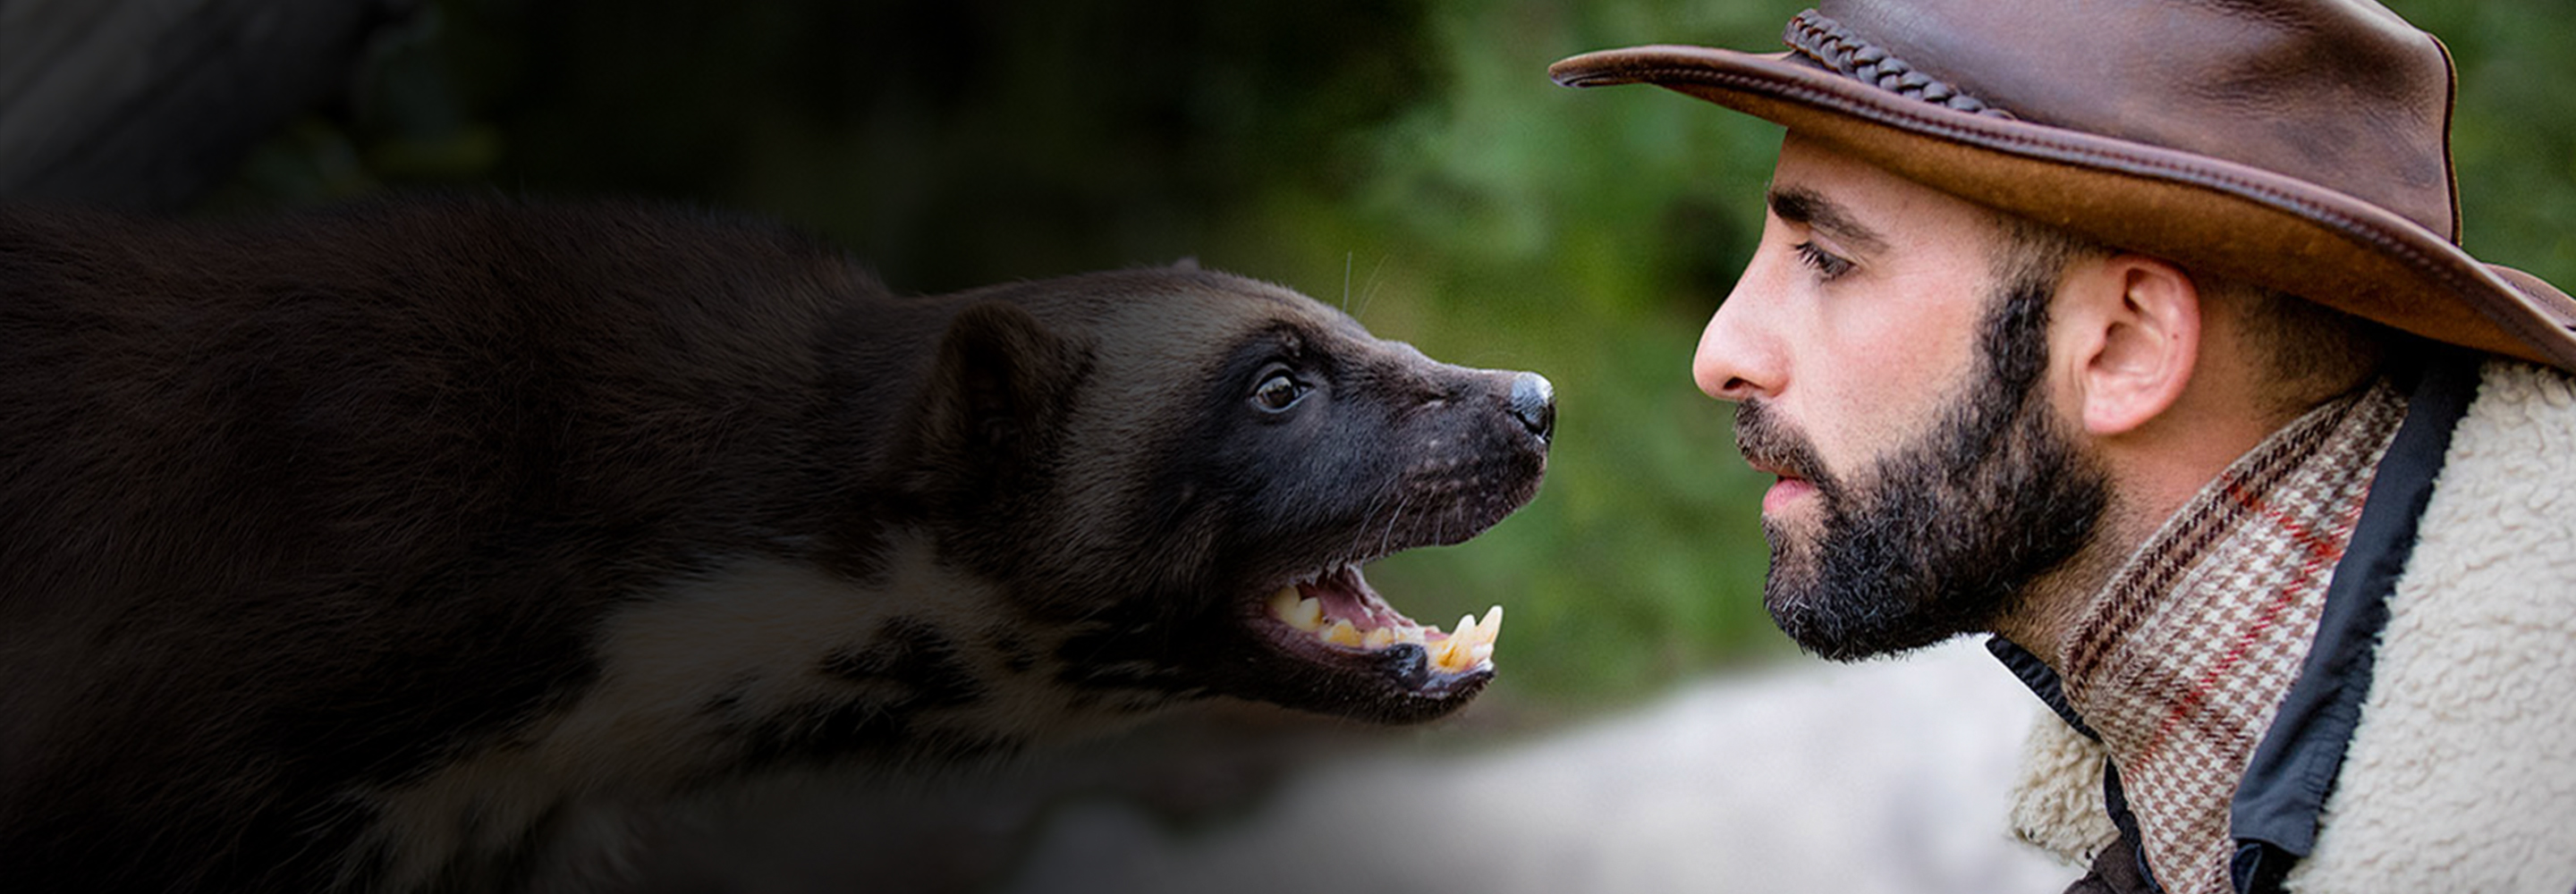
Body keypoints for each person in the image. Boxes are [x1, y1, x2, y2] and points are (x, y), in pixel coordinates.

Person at [1550, 2, 2576, 892]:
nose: (1720, 351)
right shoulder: (2208, 799)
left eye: (1828, 256)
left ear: (2125, 345)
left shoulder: (2526, 836)